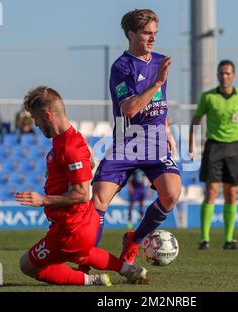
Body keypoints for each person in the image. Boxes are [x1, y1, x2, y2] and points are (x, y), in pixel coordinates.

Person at [14, 86, 148, 286]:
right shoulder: (70, 139)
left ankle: (91, 280)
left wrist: (43, 200)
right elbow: (86, 164)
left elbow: (83, 193)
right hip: (81, 224)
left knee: (27, 265)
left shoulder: (69, 146)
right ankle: (129, 270)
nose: (36, 125)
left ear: (48, 115)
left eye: (36, 119)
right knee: (84, 254)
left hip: (70, 229)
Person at [90, 9, 181, 266]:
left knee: (171, 194)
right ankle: (86, 259)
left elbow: (160, 105)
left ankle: (134, 240)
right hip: (128, 142)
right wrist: (156, 83)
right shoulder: (122, 66)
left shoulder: (160, 61)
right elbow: (129, 109)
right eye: (146, 33)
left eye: (155, 33)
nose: (152, 38)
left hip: (154, 141)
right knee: (99, 199)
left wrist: (168, 130)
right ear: (131, 34)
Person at [189, 59, 238, 250]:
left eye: (228, 73)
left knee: (231, 193)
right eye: (221, 73)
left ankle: (228, 239)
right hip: (214, 147)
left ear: (233, 76)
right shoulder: (208, 97)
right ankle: (204, 239)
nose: (224, 76)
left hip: (235, 148)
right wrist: (191, 143)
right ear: (218, 75)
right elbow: (196, 118)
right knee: (211, 191)